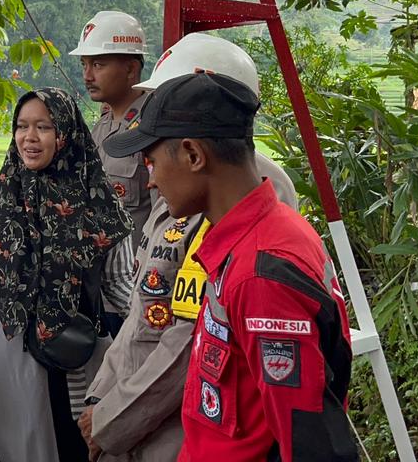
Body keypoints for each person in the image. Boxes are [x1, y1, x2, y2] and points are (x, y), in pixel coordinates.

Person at [104, 71, 357, 462]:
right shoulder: (258, 237)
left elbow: (311, 444)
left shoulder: (261, 275)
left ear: (193, 154)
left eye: (152, 162)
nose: (150, 181)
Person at [78, 33, 298, 462]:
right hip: (133, 410)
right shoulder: (179, 193)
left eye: (165, 104)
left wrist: (111, 418)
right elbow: (143, 311)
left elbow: (187, 342)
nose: (150, 118)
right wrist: (101, 395)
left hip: (171, 428)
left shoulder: (226, 204)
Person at [0, 87, 135, 462]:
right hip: (4, 350)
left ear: (66, 133)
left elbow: (120, 283)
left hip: (76, 351)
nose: (29, 138)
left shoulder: (100, 197)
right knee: (9, 445)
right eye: (21, 126)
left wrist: (151, 338)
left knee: (73, 443)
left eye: (43, 127)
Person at [70, 11, 153, 336]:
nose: (88, 75)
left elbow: (167, 215)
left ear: (131, 68)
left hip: (138, 290)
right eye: (85, 65)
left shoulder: (153, 128)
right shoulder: (103, 125)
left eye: (99, 65)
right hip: (97, 290)